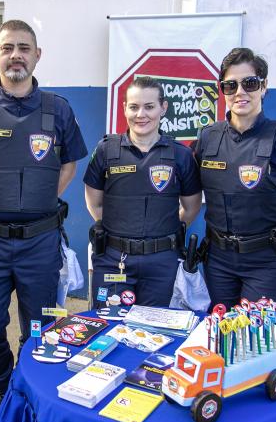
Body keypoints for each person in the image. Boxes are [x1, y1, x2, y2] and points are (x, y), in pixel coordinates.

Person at [0, 19, 87, 422]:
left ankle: (29, 389)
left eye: (24, 48)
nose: (16, 56)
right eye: (7, 48)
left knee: (41, 327)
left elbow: (69, 164)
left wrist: (39, 202)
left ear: (37, 55)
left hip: (40, 241)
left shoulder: (58, 109)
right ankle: (1, 384)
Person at [193, 48, 276, 310]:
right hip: (218, 259)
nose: (240, 92)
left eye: (249, 83)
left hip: (266, 261)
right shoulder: (208, 137)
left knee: (255, 332)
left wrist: (271, 236)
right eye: (230, 85)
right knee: (220, 327)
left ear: (263, 86)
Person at [84, 76, 202, 307]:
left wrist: (157, 233)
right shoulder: (106, 150)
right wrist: (123, 232)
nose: (141, 114)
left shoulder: (181, 155)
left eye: (149, 107)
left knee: (155, 326)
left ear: (163, 108)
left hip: (162, 263)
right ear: (124, 108)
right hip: (113, 260)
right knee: (109, 323)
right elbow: (94, 204)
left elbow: (191, 208)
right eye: (134, 107)